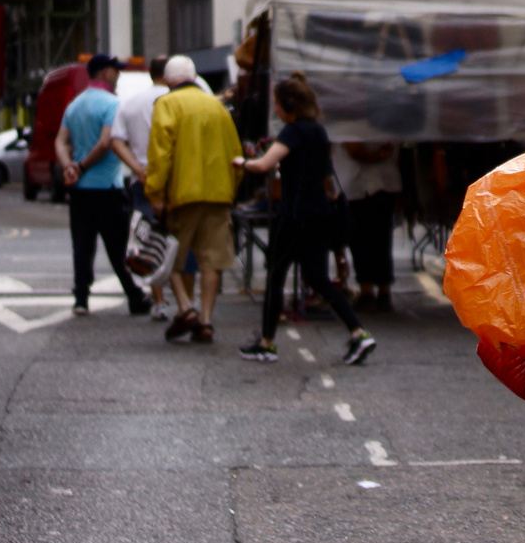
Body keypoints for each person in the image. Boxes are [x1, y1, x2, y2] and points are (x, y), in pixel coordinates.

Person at [234, 74, 376, 366]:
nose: (275, 109)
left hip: (295, 216)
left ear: (289, 104)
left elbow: (263, 164)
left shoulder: (292, 131)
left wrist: (241, 162)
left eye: (277, 104)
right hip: (319, 213)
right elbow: (323, 176)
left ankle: (267, 344)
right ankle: (359, 333)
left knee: (275, 274)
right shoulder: (319, 132)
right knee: (318, 278)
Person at [145, 54, 242, 344]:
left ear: (168, 80)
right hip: (218, 193)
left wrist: (155, 193)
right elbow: (234, 152)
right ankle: (206, 320)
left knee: (170, 257)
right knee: (211, 261)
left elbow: (160, 155)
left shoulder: (167, 104)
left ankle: (186, 308)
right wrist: (231, 189)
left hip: (182, 194)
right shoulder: (217, 106)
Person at [56, 54, 152, 317]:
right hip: (107, 188)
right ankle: (135, 296)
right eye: (115, 70)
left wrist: (69, 167)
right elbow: (105, 142)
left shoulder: (74, 104)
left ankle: (81, 299)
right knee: (118, 245)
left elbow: (60, 141)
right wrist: (83, 166)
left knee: (82, 245)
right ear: (104, 73)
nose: (118, 75)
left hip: (79, 191)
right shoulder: (113, 104)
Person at [111, 55, 180, 320]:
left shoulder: (131, 103)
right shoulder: (183, 98)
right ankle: (188, 302)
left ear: (151, 73)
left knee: (150, 239)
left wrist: (137, 167)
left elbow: (116, 140)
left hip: (144, 179)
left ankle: (159, 301)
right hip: (178, 178)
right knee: (181, 237)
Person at [332, 141, 401, 311]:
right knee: (382, 237)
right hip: (383, 180)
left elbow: (354, 149)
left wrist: (376, 156)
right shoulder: (387, 119)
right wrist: (382, 154)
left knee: (361, 238)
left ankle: (367, 291)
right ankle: (383, 291)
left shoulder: (348, 120)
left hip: (357, 182)